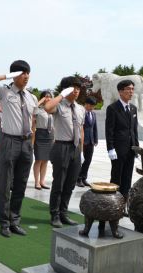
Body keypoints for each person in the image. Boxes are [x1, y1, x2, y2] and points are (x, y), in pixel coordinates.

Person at [0, 60, 38, 238]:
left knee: (20, 184)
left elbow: (33, 121)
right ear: (14, 75)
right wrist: (6, 76)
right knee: (5, 184)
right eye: (22, 73)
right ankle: (4, 223)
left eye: (28, 73)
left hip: (26, 143)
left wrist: (32, 143)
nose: (26, 76)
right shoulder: (4, 92)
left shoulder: (31, 96)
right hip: (9, 141)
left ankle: (15, 221)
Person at [44, 76, 84, 227]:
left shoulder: (80, 109)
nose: (76, 92)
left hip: (75, 149)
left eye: (78, 89)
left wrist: (81, 149)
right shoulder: (59, 105)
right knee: (59, 183)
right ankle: (54, 214)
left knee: (70, 184)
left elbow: (80, 129)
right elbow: (47, 108)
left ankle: (64, 213)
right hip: (61, 147)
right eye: (73, 88)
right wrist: (62, 95)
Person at [105, 79, 139, 209]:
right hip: (118, 150)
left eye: (132, 89)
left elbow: (134, 130)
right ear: (120, 92)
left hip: (130, 150)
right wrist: (110, 148)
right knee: (116, 178)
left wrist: (137, 147)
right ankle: (112, 204)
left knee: (127, 179)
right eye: (128, 89)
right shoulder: (113, 108)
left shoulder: (133, 108)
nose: (131, 92)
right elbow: (109, 131)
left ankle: (123, 205)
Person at [32, 91, 54, 190]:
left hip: (50, 135)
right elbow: (33, 110)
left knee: (45, 160)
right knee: (38, 159)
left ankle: (42, 181)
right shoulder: (39, 110)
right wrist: (41, 101)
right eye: (46, 97)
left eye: (50, 97)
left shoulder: (53, 110)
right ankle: (36, 182)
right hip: (40, 134)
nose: (48, 98)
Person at [77, 97, 99, 187]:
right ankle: (77, 179)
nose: (92, 108)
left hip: (91, 141)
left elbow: (94, 127)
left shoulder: (93, 114)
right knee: (80, 161)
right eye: (91, 106)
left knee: (88, 161)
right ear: (86, 104)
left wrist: (95, 139)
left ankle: (84, 178)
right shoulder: (81, 113)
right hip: (82, 141)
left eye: (93, 106)